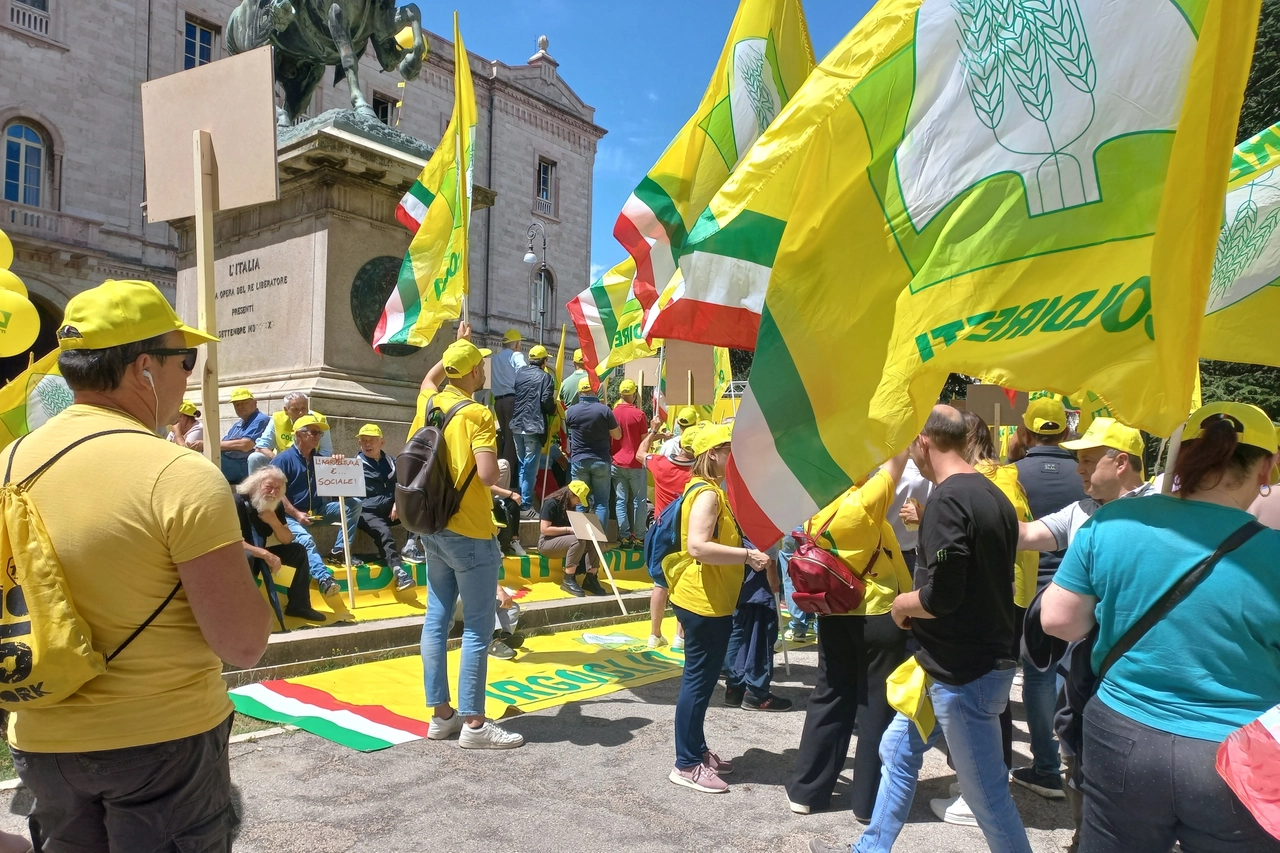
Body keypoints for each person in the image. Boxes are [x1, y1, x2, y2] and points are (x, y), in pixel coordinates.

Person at [3, 278, 271, 849]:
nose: (189, 377)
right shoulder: (179, 475)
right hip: (162, 744)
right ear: (143, 367)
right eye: (185, 360)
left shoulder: (7, 464)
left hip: (41, 741)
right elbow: (243, 644)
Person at [1042, 402, 1280, 853]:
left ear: (1183, 459)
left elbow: (1058, 621)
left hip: (1122, 733)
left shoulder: (1113, 521)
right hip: (1240, 752)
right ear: (1266, 469)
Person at [812, 405, 1031, 853]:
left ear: (924, 442)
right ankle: (871, 846)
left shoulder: (948, 501)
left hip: (963, 673)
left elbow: (940, 597)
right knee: (896, 750)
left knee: (988, 798)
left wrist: (901, 604)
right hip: (955, 665)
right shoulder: (992, 492)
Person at [1016, 416, 1152, 851]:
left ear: (1121, 462)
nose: (1077, 470)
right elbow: (1033, 534)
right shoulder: (1082, 510)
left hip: (1133, 666)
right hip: (1080, 663)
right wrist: (977, 509)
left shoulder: (1163, 510)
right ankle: (1083, 835)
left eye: (1088, 460)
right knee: (1075, 748)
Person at [787, 451, 913, 822]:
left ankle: (806, 791)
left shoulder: (817, 509)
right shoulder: (863, 501)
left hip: (833, 610)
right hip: (877, 613)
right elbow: (898, 459)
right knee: (876, 705)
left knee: (829, 694)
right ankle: (867, 802)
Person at [415, 324, 523, 749]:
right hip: (472, 530)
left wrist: (454, 348)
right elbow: (486, 474)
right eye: (479, 363)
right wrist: (499, 467)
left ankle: (442, 716)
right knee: (478, 627)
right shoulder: (479, 414)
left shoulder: (429, 404)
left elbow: (429, 378)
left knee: (436, 618)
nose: (484, 368)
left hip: (433, 525)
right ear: (474, 371)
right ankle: (475, 724)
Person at [664, 423, 772, 794]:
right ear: (712, 454)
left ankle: (696, 750)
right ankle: (686, 764)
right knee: (697, 682)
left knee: (705, 681)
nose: (735, 457)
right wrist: (747, 555)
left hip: (711, 601)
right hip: (703, 603)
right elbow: (697, 546)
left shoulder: (709, 491)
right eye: (729, 449)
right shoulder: (707, 495)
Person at [1010, 396, 1087, 801]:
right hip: (1083, 593)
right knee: (1077, 675)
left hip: (1033, 594)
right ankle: (1079, 764)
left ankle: (1046, 768)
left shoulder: (1012, 474)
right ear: (1068, 430)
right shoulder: (1087, 474)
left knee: (1038, 678)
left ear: (1025, 430)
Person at [271, 415, 361, 597]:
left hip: (317, 512)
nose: (317, 436)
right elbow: (276, 494)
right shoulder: (282, 460)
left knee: (353, 505)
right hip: (290, 516)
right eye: (312, 432)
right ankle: (324, 578)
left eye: (319, 433)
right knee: (306, 541)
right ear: (298, 434)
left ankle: (339, 550)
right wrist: (296, 514)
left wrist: (340, 469)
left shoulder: (321, 460)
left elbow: (339, 492)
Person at [234, 466, 325, 621]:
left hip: (260, 554)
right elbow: (231, 542)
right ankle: (242, 613)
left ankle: (299, 606)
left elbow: (287, 539)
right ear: (256, 485)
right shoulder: (236, 502)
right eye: (269, 487)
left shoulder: (275, 504)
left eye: (278, 489)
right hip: (237, 556)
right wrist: (264, 554)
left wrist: (274, 522)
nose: (273, 493)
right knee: (248, 556)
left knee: (298, 551)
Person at [638, 416, 694, 650]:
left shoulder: (660, 464)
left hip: (662, 529)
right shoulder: (700, 473)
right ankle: (680, 636)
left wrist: (652, 431)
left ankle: (654, 634)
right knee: (683, 582)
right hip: (688, 531)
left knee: (660, 584)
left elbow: (640, 453)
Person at [356, 423, 415, 591]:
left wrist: (398, 503)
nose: (367, 444)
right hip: (367, 512)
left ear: (382, 442)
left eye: (372, 440)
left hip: (392, 509)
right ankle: (399, 573)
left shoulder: (393, 462)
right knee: (384, 533)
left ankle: (411, 547)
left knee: (420, 507)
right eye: (363, 441)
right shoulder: (353, 466)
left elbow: (405, 485)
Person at [565, 376, 620, 528]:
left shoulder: (571, 411)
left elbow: (567, 430)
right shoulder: (605, 410)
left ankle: (581, 540)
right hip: (601, 460)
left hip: (579, 460)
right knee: (602, 502)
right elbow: (617, 435)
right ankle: (599, 542)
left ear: (580, 392)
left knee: (580, 500)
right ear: (595, 390)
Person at [510, 344, 556, 511]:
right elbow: (546, 402)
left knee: (523, 465)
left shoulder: (520, 374)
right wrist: (554, 409)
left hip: (517, 426)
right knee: (530, 468)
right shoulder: (546, 377)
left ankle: (521, 501)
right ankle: (526, 505)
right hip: (533, 427)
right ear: (543, 361)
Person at [539, 480, 605, 597]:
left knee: (596, 539)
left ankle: (591, 577)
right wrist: (568, 529)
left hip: (566, 540)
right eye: (578, 499)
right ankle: (568, 579)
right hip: (547, 543)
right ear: (571, 494)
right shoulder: (551, 503)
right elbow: (544, 529)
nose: (579, 502)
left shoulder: (570, 506)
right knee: (577, 540)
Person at [248, 391, 332, 474]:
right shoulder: (278, 418)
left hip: (309, 461)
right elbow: (261, 446)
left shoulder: (320, 420)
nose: (301, 413)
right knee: (255, 457)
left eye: (304, 408)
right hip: (280, 459)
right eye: (295, 409)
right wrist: (280, 460)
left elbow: (326, 452)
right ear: (286, 410)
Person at [611, 378, 649, 548]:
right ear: (634, 394)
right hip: (635, 463)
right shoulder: (639, 415)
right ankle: (640, 537)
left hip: (616, 462)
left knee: (620, 500)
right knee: (639, 501)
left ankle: (624, 536)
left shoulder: (612, 413)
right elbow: (643, 442)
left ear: (620, 394)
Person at [490, 329, 527, 471]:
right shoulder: (516, 355)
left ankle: (500, 468)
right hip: (513, 400)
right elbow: (523, 371)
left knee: (506, 437)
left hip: (498, 402)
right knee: (512, 440)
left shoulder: (494, 358)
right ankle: (506, 474)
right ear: (516, 344)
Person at [219, 386, 271, 484]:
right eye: (236, 404)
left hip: (245, 465)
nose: (240, 407)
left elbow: (246, 445)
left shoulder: (261, 419)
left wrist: (208, 444)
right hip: (232, 463)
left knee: (205, 456)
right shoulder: (238, 424)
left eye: (244, 403)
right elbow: (224, 443)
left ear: (255, 403)